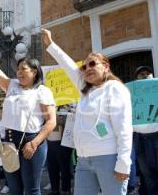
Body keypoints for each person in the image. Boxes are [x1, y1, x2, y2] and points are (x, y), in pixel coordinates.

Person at [42, 28, 133, 195]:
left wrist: (123, 163)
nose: (87, 69)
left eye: (92, 64)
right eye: (84, 67)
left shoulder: (116, 89)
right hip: (83, 160)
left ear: (106, 66)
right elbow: (68, 65)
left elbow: (124, 129)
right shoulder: (85, 89)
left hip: (109, 158)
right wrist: (51, 44)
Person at [0, 43, 56, 195]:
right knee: (14, 189)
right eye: (18, 69)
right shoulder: (12, 85)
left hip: (31, 141)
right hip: (9, 142)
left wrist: (34, 143)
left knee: (31, 189)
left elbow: (51, 121)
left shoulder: (42, 91)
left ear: (34, 72)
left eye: (24, 69)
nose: (19, 72)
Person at [134, 66, 158, 194]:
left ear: (152, 76)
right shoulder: (132, 95)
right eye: (141, 74)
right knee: (147, 174)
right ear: (136, 79)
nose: (144, 75)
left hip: (156, 136)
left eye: (147, 73)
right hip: (139, 138)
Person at [47, 105, 73, 195]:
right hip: (49, 141)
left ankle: (66, 190)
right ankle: (55, 190)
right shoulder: (47, 107)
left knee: (64, 167)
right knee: (52, 168)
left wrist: (55, 117)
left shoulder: (66, 107)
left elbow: (69, 121)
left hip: (63, 142)